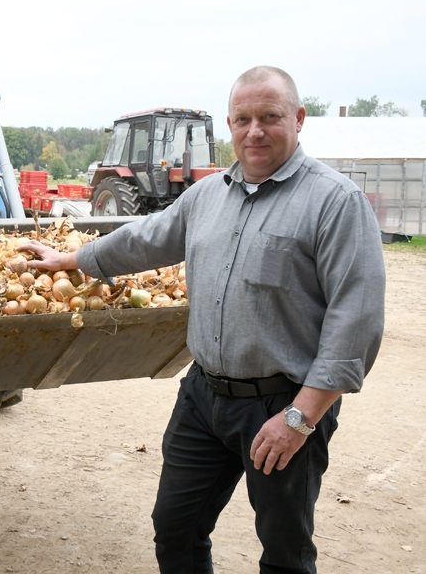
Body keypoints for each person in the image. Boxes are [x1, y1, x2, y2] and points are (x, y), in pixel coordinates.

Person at [20, 66, 385, 573]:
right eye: (242, 119)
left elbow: (356, 321)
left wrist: (300, 419)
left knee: (284, 551)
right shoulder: (207, 196)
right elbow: (145, 238)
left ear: (299, 120)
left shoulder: (334, 202)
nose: (254, 131)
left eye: (270, 117)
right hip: (203, 398)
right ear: (229, 127)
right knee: (176, 531)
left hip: (283, 405)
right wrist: (73, 260)